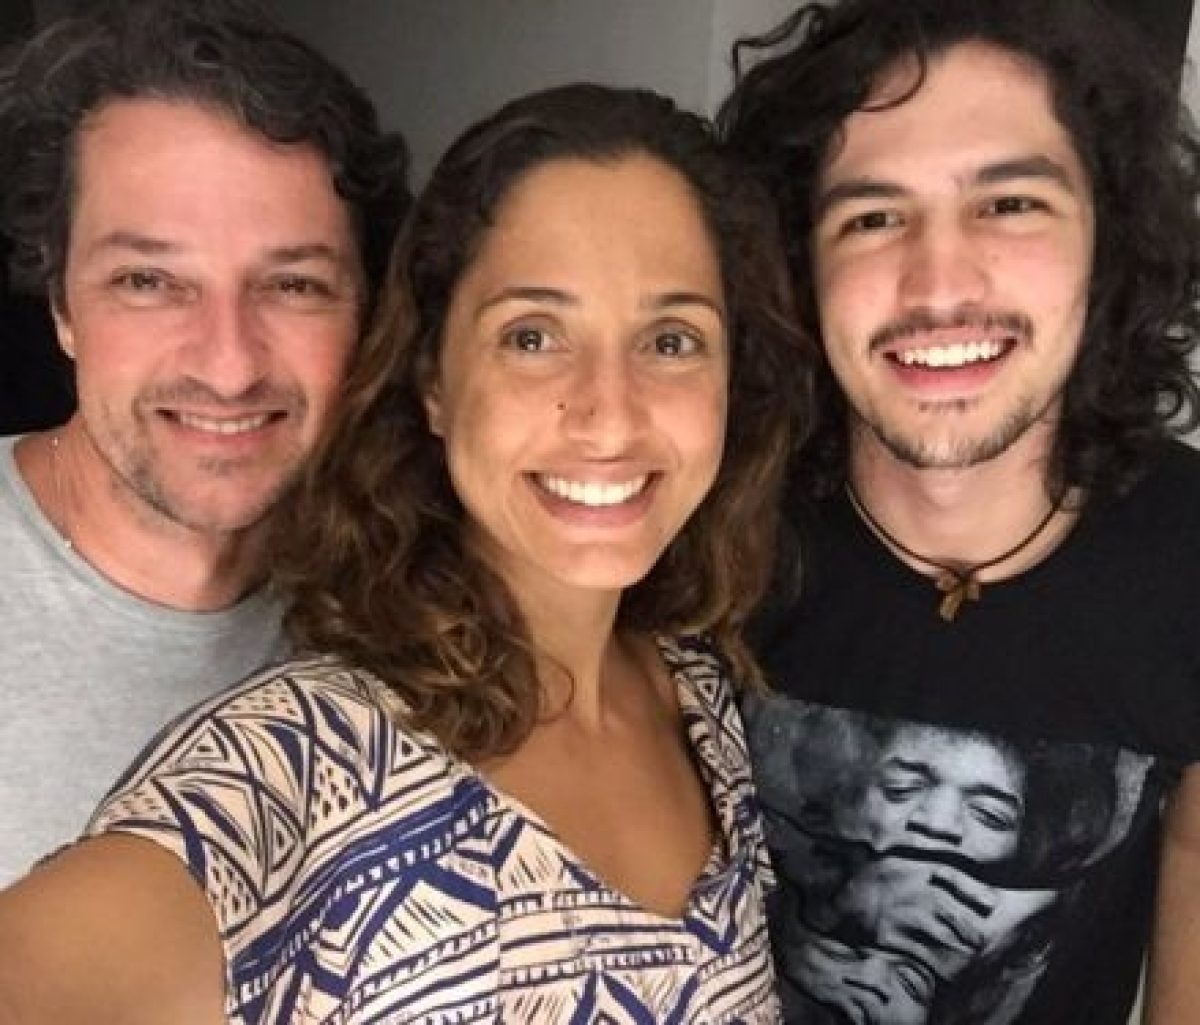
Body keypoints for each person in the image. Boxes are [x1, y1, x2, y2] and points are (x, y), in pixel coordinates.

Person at [0, 82, 811, 1023]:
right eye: (532, 336)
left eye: (671, 340)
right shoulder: (304, 756)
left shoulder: (699, 690)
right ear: (433, 380)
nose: (609, 415)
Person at [718, 0, 1200, 1021]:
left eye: (1010, 203)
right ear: (800, 265)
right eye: (872, 216)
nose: (938, 285)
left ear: (1106, 240)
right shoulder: (707, 525)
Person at [0, 0, 409, 883]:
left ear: (367, 314)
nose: (229, 367)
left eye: (294, 285)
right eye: (148, 281)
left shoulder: (415, 600)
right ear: (62, 303)